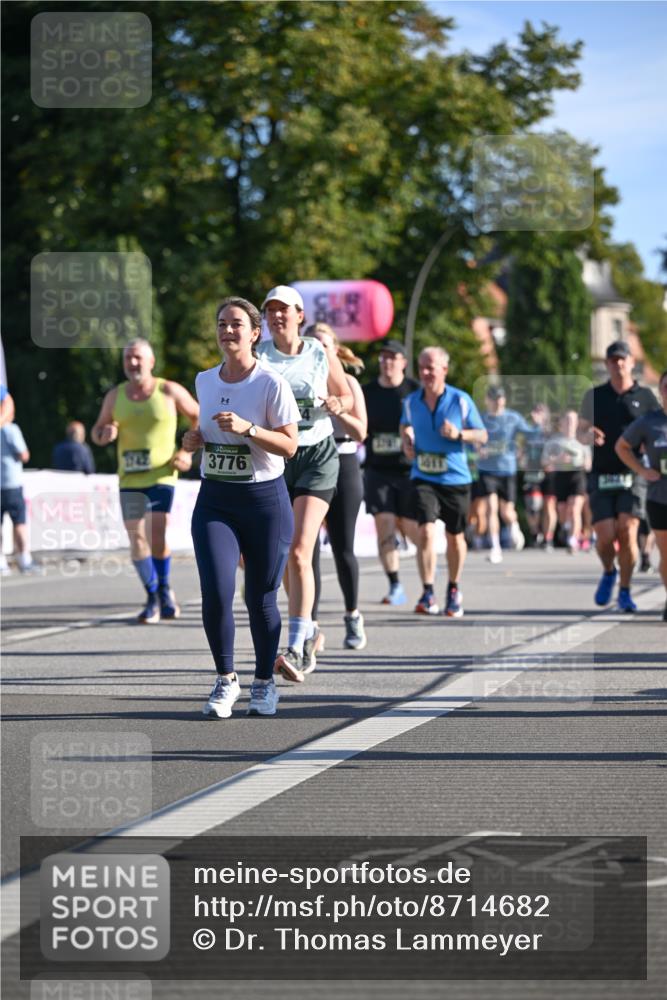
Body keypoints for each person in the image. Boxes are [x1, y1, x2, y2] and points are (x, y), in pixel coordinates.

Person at [183, 297, 299, 717]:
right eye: (221, 324)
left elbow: (289, 445)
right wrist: (192, 440)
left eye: (236, 324)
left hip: (264, 501)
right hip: (216, 499)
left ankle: (265, 683)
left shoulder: (270, 383)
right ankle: (225, 679)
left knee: (261, 598)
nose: (227, 331)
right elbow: (204, 431)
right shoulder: (204, 380)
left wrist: (251, 429)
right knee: (215, 590)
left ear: (255, 333)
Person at [257, 286, 352, 682]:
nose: (278, 317)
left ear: (299, 314)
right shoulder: (259, 355)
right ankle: (309, 629)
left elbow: (344, 394)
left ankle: (296, 646)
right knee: (273, 557)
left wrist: (337, 404)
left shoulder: (317, 351)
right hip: (277, 458)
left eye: (285, 310)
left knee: (299, 550)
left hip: (316, 457)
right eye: (271, 311)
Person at [91, 338, 199, 622]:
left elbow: (198, 417)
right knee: (136, 538)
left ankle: (164, 589)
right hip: (129, 478)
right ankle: (153, 593)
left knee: (156, 533)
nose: (133, 363)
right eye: (128, 359)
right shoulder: (115, 396)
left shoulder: (169, 390)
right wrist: (104, 434)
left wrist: (186, 452)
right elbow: (97, 431)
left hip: (163, 473)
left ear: (151, 362)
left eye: (138, 358)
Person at [400, 346, 487, 617]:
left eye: (431, 368)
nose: (425, 372)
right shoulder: (411, 401)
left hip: (455, 478)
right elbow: (405, 425)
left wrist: (459, 434)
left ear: (444, 370)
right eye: (422, 367)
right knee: (425, 530)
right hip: (423, 475)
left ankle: (453, 587)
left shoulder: (460, 400)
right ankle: (427, 592)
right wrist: (407, 441)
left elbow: (482, 435)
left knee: (454, 535)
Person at [578, 341, 657, 612]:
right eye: (612, 360)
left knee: (628, 530)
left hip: (633, 472)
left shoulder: (646, 397)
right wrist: (588, 436)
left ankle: (624, 590)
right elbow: (580, 431)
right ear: (607, 364)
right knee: (604, 536)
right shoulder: (594, 395)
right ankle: (609, 570)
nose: (618, 364)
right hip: (602, 472)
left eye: (622, 359)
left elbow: (657, 429)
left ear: (632, 362)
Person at [306, 323, 368, 650]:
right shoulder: (300, 381)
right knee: (307, 549)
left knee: (343, 547)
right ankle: (309, 626)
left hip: (343, 461)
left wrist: (339, 408)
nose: (319, 349)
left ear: (335, 349)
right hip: (310, 462)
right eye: (312, 343)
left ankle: (352, 614)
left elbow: (361, 433)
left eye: (324, 345)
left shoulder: (350, 383)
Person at [362, 339, 420, 604]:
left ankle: (428, 571)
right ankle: (395, 584)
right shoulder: (367, 392)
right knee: (383, 523)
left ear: (403, 363)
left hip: (409, 471)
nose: (386, 362)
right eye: (383, 357)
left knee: (411, 527)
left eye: (392, 357)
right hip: (377, 469)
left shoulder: (415, 391)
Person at [615, 369, 667, 622]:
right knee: (666, 555)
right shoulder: (649, 422)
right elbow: (622, 446)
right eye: (666, 388)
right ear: (661, 392)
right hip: (659, 497)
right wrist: (642, 470)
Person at [476, 385, 535, 564]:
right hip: (486, 470)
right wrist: (478, 448)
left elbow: (530, 435)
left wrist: (538, 424)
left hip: (507, 469)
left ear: (504, 400)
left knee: (507, 512)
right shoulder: (481, 418)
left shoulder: (513, 417)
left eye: (500, 398)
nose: (497, 402)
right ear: (488, 400)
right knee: (490, 508)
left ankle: (514, 527)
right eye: (494, 398)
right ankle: (495, 547)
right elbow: (473, 437)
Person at [541, 409, 590, 553]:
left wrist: (581, 463)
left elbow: (588, 464)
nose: (570, 423)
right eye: (567, 420)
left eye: (573, 420)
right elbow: (544, 462)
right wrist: (558, 460)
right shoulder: (554, 442)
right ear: (561, 423)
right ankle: (567, 527)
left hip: (577, 476)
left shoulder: (582, 441)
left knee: (575, 508)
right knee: (562, 512)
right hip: (560, 476)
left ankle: (572, 540)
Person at [0, 420, 39, 574]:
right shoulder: (10, 428)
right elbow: (24, 454)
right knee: (19, 523)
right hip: (11, 483)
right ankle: (24, 559)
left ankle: (1, 562)